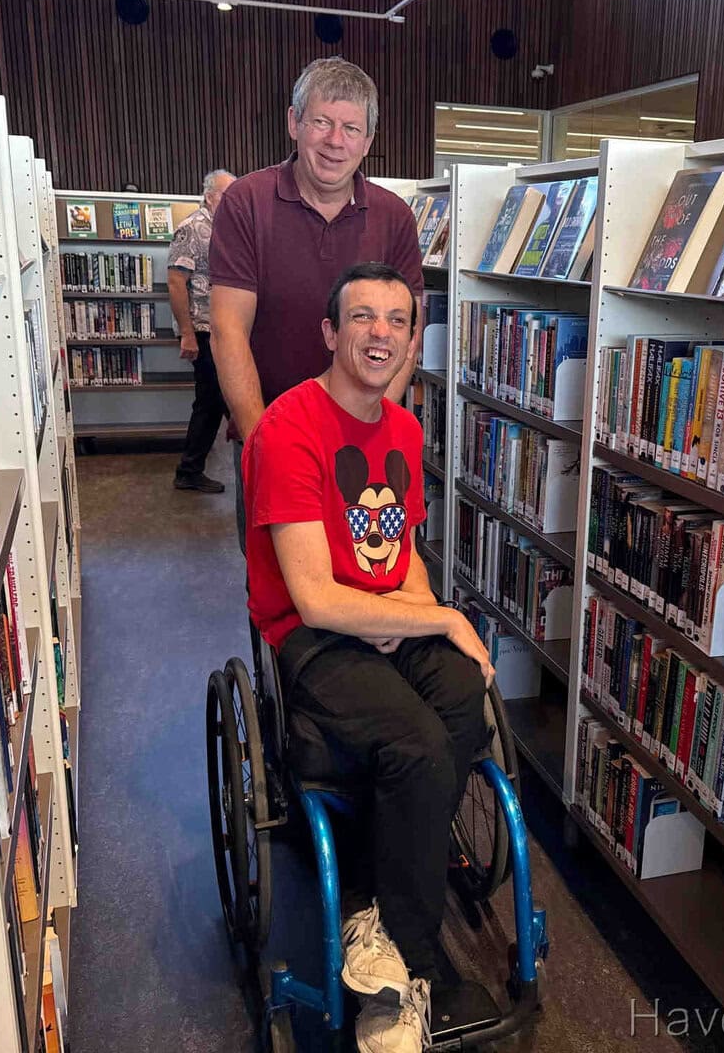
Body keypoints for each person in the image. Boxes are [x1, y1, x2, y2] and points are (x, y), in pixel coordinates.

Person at [243, 263, 494, 1053]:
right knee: (417, 744)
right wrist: (436, 615)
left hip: (383, 616)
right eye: (362, 317)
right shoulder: (288, 428)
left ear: (411, 338)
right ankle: (405, 972)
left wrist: (423, 617)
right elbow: (314, 597)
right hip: (315, 637)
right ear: (330, 332)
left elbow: (404, 552)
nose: (380, 333)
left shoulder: (405, 429)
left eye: (396, 319)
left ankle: (375, 908)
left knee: (466, 696)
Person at [208, 57, 424, 540]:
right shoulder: (246, 202)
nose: (335, 141)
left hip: (364, 452)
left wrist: (368, 434)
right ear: (294, 123)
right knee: (277, 600)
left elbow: (405, 340)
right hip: (271, 438)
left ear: (368, 142)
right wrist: (265, 444)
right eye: (322, 122)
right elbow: (228, 331)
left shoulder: (394, 218)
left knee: (369, 576)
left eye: (352, 128)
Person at [168, 169, 236, 493]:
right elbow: (175, 281)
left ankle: (198, 465)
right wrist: (187, 333)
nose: (232, 201)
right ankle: (189, 470)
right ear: (210, 196)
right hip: (203, 328)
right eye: (227, 194)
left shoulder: (228, 229)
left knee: (221, 395)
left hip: (224, 327)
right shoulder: (192, 229)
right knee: (211, 398)